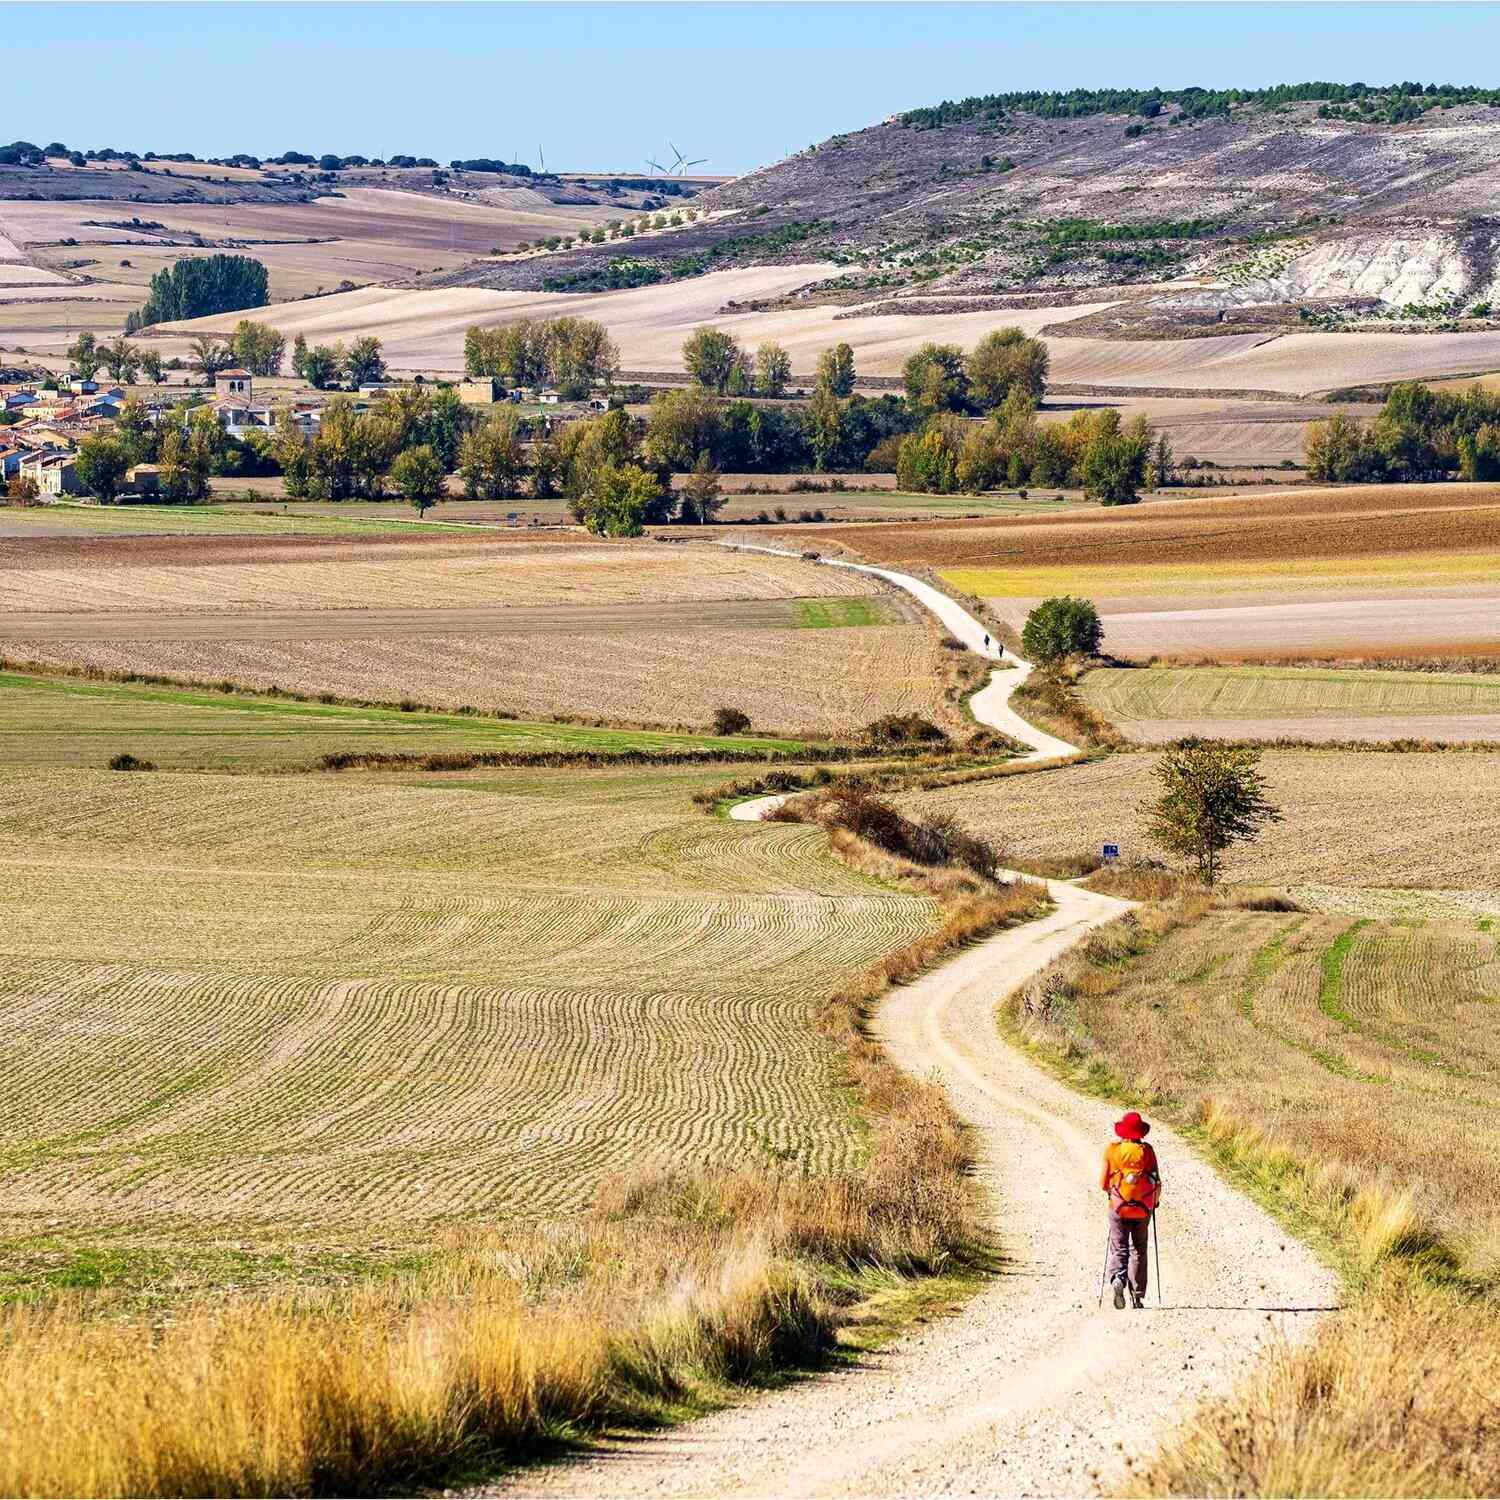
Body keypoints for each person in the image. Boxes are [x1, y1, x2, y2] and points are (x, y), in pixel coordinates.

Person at [1101, 1109, 1160, 1309]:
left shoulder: (1113, 1150)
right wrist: (1155, 1202)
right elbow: (1156, 1182)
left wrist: (1113, 1194)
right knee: (1139, 1249)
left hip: (1118, 1206)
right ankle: (1138, 1295)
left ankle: (1118, 1278)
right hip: (1143, 1208)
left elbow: (1103, 1183)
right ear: (1141, 1133)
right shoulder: (1148, 1151)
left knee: (1119, 1246)